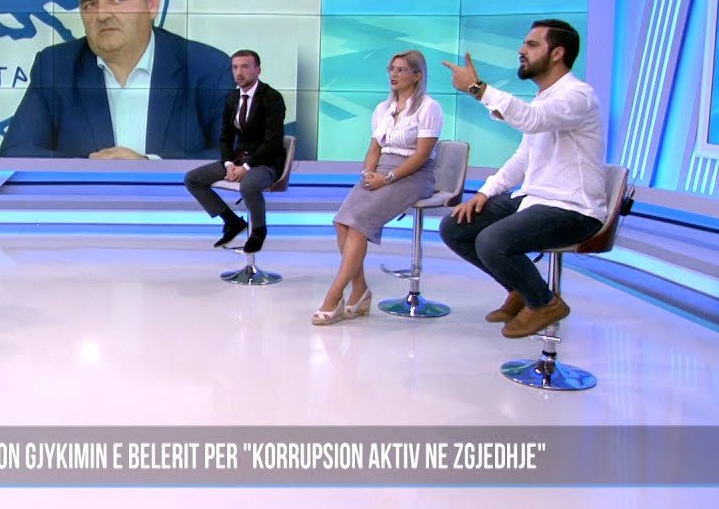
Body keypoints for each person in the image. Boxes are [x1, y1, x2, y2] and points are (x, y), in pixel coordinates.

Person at [439, 19, 606, 339]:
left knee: (492, 241)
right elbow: (523, 157)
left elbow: (533, 120)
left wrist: (478, 88)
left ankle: (544, 303)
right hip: (534, 200)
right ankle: (519, 288)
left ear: (558, 53)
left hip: (573, 209)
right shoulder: (543, 98)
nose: (521, 50)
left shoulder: (577, 96)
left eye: (532, 44)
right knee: (455, 227)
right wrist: (485, 193)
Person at [0, 0, 233, 159]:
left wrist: (149, 166)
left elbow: (237, 156)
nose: (102, 15)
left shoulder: (208, 67)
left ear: (151, 4)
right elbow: (15, 154)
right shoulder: (55, 68)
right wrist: (92, 170)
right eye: (90, 4)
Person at [312, 50, 443, 326]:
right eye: (391, 69)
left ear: (417, 76)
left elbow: (422, 155)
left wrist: (388, 178)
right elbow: (374, 148)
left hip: (414, 174)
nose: (393, 74)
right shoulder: (383, 109)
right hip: (381, 170)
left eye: (401, 70)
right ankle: (360, 290)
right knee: (342, 222)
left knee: (358, 224)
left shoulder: (429, 108)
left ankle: (334, 296)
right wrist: (368, 173)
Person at [184, 50, 287, 253]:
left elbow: (272, 142)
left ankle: (258, 231)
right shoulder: (232, 97)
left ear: (257, 70)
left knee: (248, 186)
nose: (239, 72)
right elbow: (225, 138)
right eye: (235, 67)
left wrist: (247, 167)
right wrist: (229, 163)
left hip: (266, 162)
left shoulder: (272, 98)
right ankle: (231, 221)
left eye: (245, 67)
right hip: (238, 159)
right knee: (193, 179)